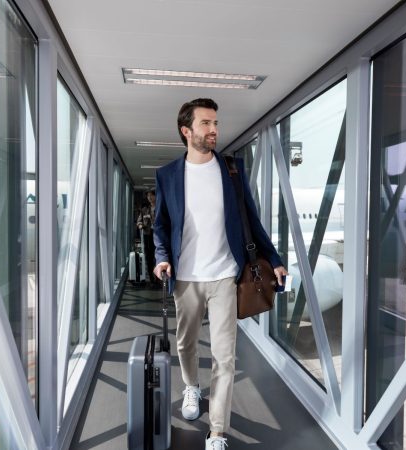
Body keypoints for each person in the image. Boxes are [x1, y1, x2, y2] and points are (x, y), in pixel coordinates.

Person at [152, 98, 287, 450]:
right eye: (206, 124)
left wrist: (273, 258)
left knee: (225, 357)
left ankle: (217, 433)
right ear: (187, 131)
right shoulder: (167, 175)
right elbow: (161, 225)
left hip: (226, 277)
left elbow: (251, 220)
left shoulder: (232, 170)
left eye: (216, 123)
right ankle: (191, 387)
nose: (214, 130)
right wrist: (162, 257)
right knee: (186, 343)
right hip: (186, 277)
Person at [136, 190, 158, 285]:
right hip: (147, 235)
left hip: (158, 235)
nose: (150, 198)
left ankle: (158, 278)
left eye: (151, 195)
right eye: (148, 196)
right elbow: (139, 221)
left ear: (156, 196)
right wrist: (140, 225)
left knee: (157, 257)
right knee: (149, 257)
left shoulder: (160, 208)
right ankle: (152, 279)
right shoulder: (145, 209)